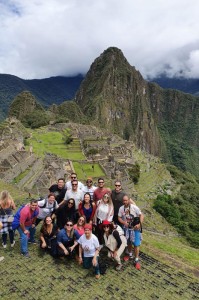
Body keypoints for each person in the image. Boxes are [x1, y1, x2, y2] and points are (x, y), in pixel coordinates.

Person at [118, 195, 144, 269]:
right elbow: (119, 217)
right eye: (124, 200)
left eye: (126, 200)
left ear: (129, 200)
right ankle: (129, 254)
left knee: (136, 244)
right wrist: (123, 222)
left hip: (135, 229)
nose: (125, 202)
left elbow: (141, 215)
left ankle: (136, 259)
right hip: (127, 229)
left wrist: (139, 224)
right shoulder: (121, 208)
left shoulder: (134, 207)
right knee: (129, 242)